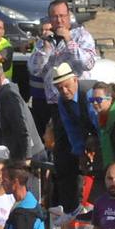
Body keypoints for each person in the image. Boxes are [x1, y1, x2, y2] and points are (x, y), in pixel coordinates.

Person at [29, 1, 96, 112]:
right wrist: (45, 48)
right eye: (55, 17)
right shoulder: (45, 39)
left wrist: (69, 41)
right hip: (53, 102)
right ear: (49, 19)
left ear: (68, 16)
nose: (59, 20)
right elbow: (34, 70)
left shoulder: (82, 35)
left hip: (76, 100)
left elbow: (87, 64)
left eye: (62, 16)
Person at [46, 63, 91, 212]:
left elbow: (99, 122)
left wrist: (91, 145)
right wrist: (80, 153)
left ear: (75, 80)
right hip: (85, 134)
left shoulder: (89, 93)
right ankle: (71, 210)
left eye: (67, 86)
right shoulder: (62, 101)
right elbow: (71, 129)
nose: (64, 91)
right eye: (59, 88)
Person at [0, 65, 43, 169]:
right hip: (12, 154)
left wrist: (27, 157)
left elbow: (22, 126)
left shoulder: (9, 93)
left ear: (2, 76)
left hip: (29, 154)